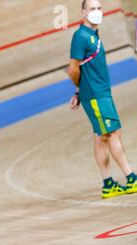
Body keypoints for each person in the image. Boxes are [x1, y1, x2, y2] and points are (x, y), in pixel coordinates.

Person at [68, 0, 137, 199]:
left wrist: (80, 92)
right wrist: (81, 90)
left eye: (99, 8)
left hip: (99, 93)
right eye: (92, 9)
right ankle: (131, 177)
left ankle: (108, 184)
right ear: (83, 13)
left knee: (101, 137)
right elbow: (73, 68)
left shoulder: (92, 34)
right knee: (113, 133)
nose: (97, 12)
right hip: (97, 95)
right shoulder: (81, 36)